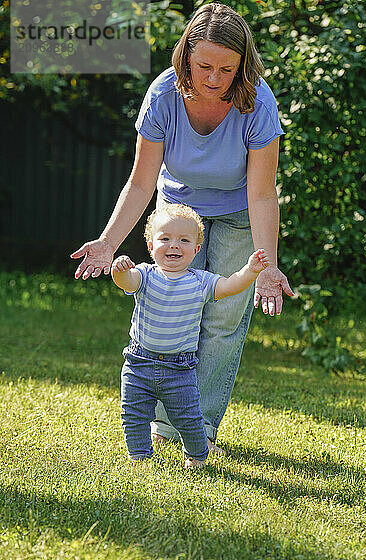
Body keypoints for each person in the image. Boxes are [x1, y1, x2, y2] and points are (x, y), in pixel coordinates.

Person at [71, 3, 294, 453]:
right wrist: (108, 241)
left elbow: (262, 194)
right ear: (186, 56)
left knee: (225, 316)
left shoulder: (259, 101)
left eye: (226, 69)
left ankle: (200, 423)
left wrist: (267, 266)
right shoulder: (163, 96)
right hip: (180, 210)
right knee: (170, 302)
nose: (214, 78)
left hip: (237, 212)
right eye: (204, 66)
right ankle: (165, 419)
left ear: (242, 65)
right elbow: (141, 180)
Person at [112, 203, 270, 468]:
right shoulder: (144, 275)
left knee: (189, 417)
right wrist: (120, 271)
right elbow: (126, 283)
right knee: (134, 413)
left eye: (184, 240)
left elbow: (230, 286)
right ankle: (139, 457)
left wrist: (250, 271)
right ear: (151, 246)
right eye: (165, 239)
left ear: (196, 250)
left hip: (180, 368)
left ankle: (197, 456)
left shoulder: (200, 281)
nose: (174, 245)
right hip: (139, 363)